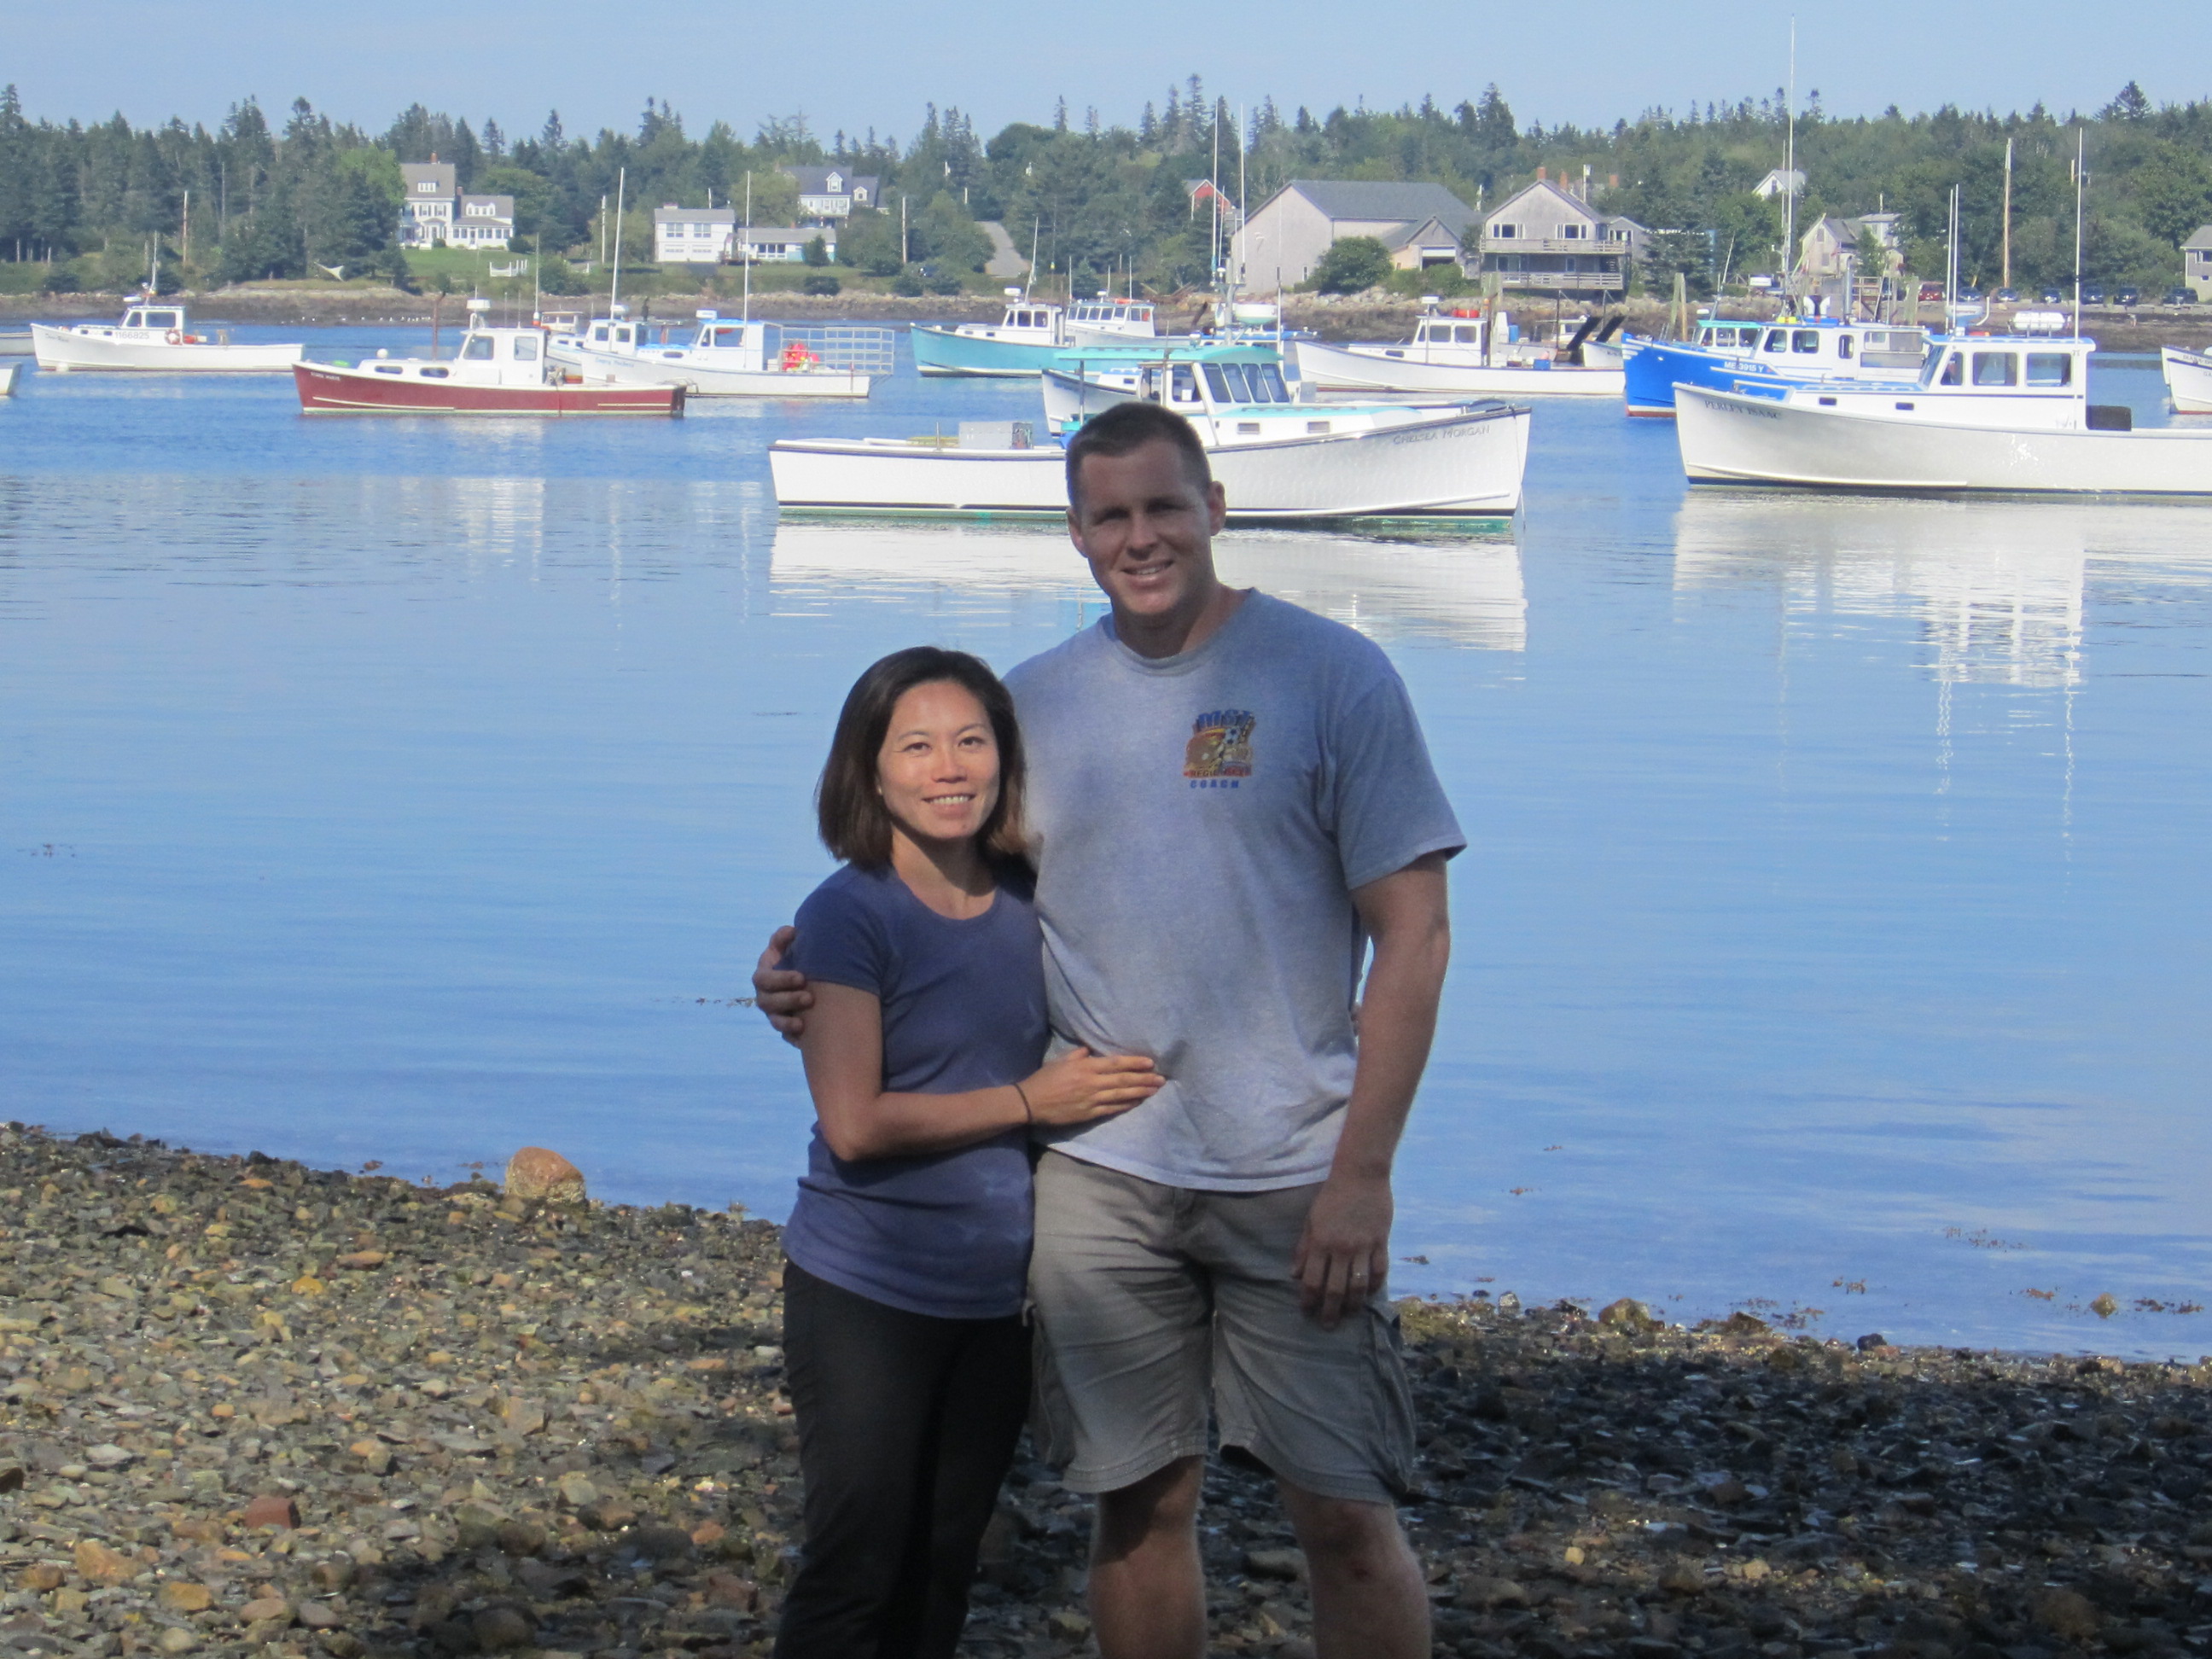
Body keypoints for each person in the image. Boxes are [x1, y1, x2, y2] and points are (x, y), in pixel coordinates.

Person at [757, 403, 1462, 1659]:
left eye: (1164, 508)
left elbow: (1416, 937)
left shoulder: (1333, 676)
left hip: (1291, 1173)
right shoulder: (1032, 708)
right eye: (1111, 516)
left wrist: (1364, 1175)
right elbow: (938, 900)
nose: (1142, 538)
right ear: (1077, 533)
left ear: (1215, 509)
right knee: (1138, 1509)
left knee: (1346, 1515)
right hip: (1098, 1182)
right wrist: (809, 982)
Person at [770, 645, 1163, 1659]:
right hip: (866, 1288)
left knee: (942, 1567)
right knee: (857, 1567)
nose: (948, 769)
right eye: (916, 747)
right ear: (868, 772)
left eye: (971, 742)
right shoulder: (849, 913)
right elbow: (855, 1123)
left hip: (995, 1298)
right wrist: (1031, 1102)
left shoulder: (1037, 899)